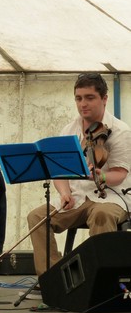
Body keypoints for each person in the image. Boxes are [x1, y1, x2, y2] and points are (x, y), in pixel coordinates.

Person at [27, 73, 131, 281]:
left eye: (89, 97)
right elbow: (59, 171)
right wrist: (65, 193)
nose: (83, 104)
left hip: (111, 197)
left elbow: (119, 175)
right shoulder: (69, 130)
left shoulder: (120, 131)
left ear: (104, 99)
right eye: (78, 98)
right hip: (77, 198)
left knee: (102, 214)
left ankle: (101, 280)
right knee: (37, 217)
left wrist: (100, 177)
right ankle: (52, 280)